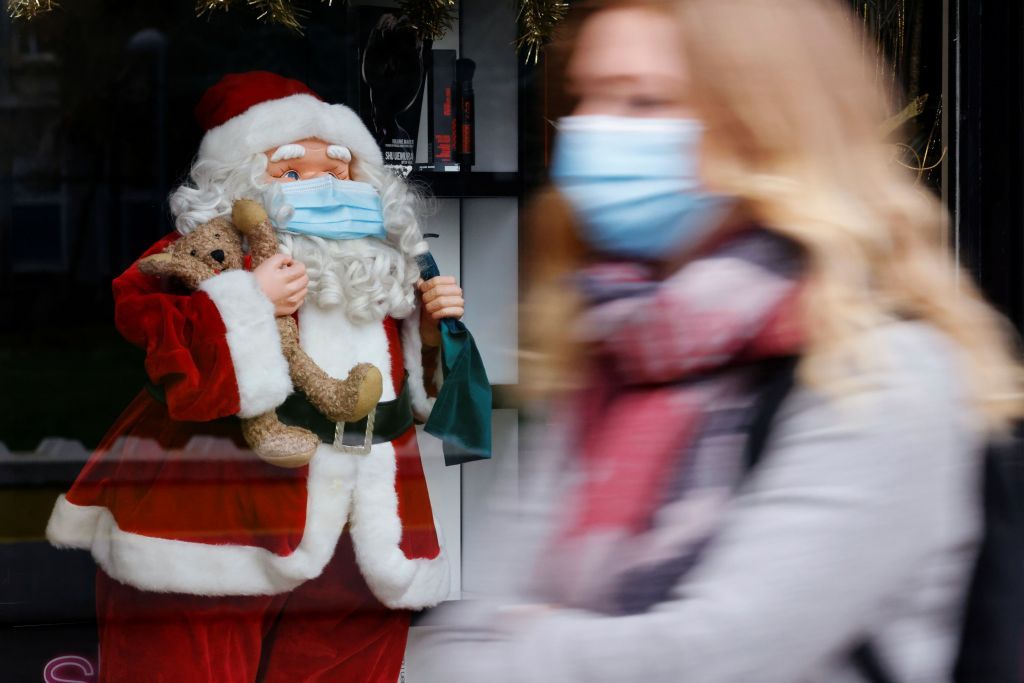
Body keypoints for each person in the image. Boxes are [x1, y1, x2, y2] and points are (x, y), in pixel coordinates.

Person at [412, 1, 1024, 682]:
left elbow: (710, 658)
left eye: (644, 101)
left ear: (763, 125)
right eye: (585, 96)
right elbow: (451, 647)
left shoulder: (881, 372)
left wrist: (525, 640)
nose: (591, 130)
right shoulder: (616, 348)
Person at [45, 71, 465, 682]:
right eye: (292, 173)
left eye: (340, 171)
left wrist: (430, 339)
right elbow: (159, 344)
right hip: (214, 521)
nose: (325, 183)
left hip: (365, 530)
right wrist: (246, 298)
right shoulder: (205, 251)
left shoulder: (385, 270)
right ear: (239, 185)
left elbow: (427, 402)